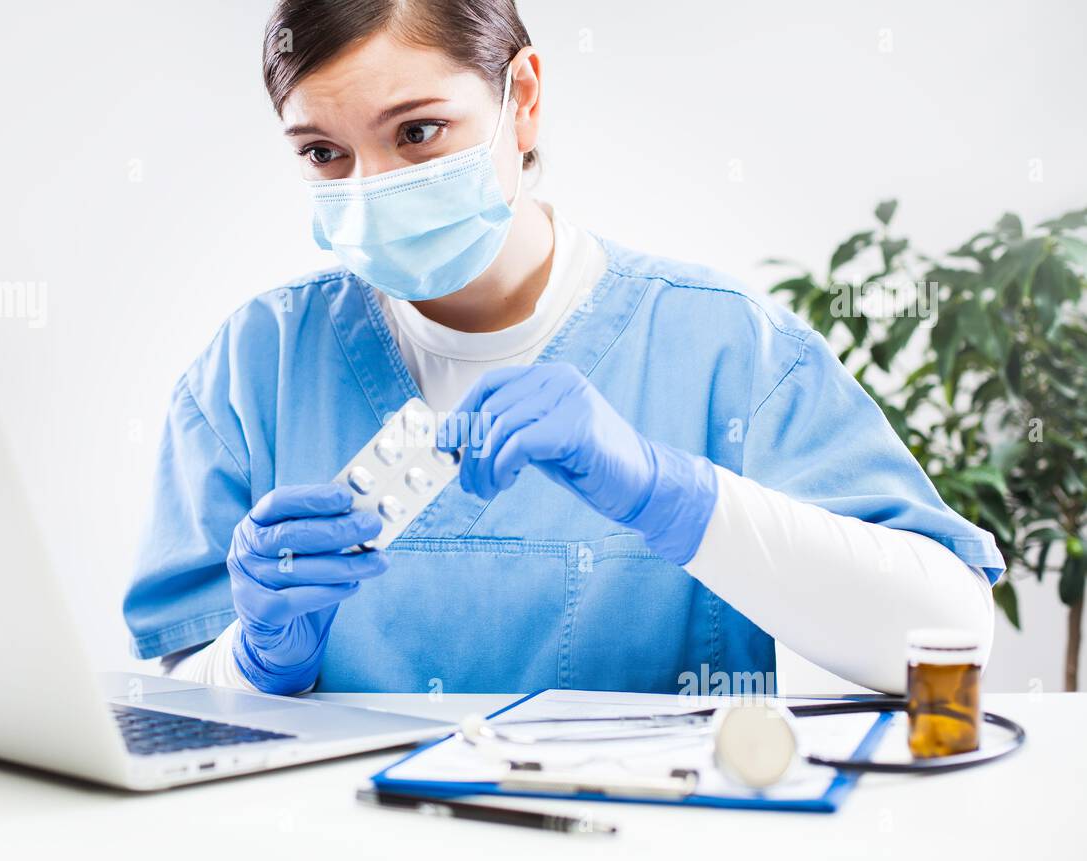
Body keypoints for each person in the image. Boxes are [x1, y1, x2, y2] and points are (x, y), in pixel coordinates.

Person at [123, 0, 1003, 697]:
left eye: (418, 132)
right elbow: (178, 718)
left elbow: (952, 641)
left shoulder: (724, 350)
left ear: (525, 98)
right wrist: (257, 661)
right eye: (323, 152)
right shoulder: (255, 369)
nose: (373, 190)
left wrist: (673, 495)